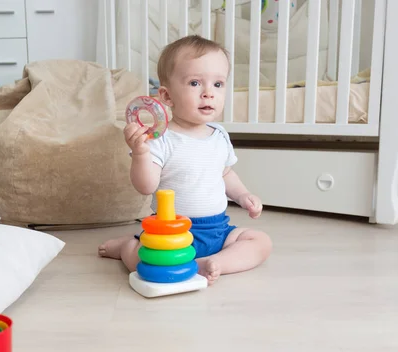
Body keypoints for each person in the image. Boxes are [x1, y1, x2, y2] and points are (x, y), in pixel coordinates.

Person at [98, 35, 272, 285]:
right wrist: (140, 153)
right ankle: (126, 246)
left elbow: (225, 174)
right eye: (194, 83)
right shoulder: (160, 139)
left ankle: (217, 263)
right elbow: (145, 186)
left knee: (261, 242)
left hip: (218, 230)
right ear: (167, 97)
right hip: (171, 232)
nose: (208, 93)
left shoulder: (219, 135)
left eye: (218, 84)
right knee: (141, 262)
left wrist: (243, 195)